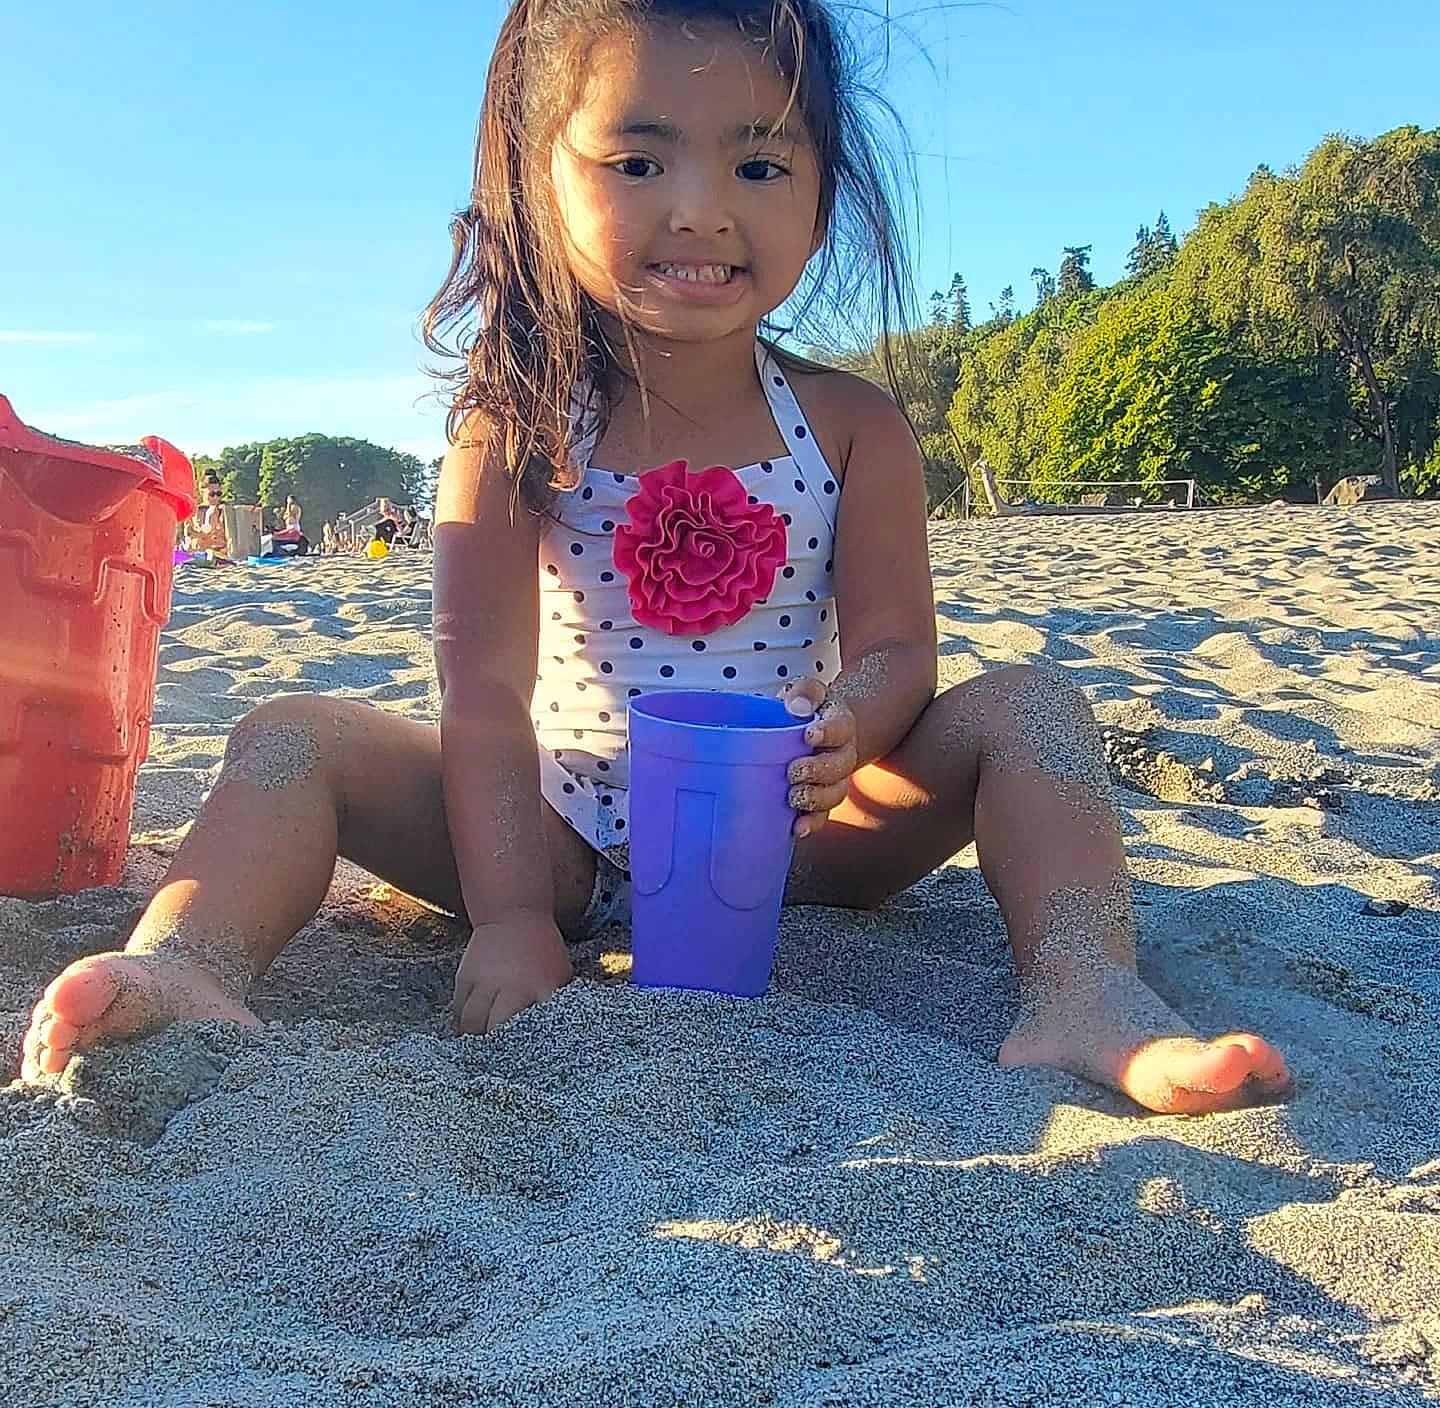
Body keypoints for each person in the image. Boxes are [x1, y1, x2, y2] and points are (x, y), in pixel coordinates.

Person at [21, 0, 1288, 1115]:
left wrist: (852, 720)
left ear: (822, 194)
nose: (702, 208)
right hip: (555, 829)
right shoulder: (518, 425)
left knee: (1034, 710)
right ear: (542, 184)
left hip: (794, 829)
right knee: (292, 736)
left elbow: (902, 643)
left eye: (759, 161)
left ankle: (1083, 988)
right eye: (638, 160)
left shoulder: (850, 425)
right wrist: (512, 914)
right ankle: (190, 960)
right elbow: (482, 688)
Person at [185, 469, 229, 554]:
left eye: (219, 494)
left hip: (222, 554)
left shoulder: (225, 511)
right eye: (211, 494)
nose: (216, 498)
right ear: (202, 492)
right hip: (200, 554)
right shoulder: (193, 512)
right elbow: (189, 536)